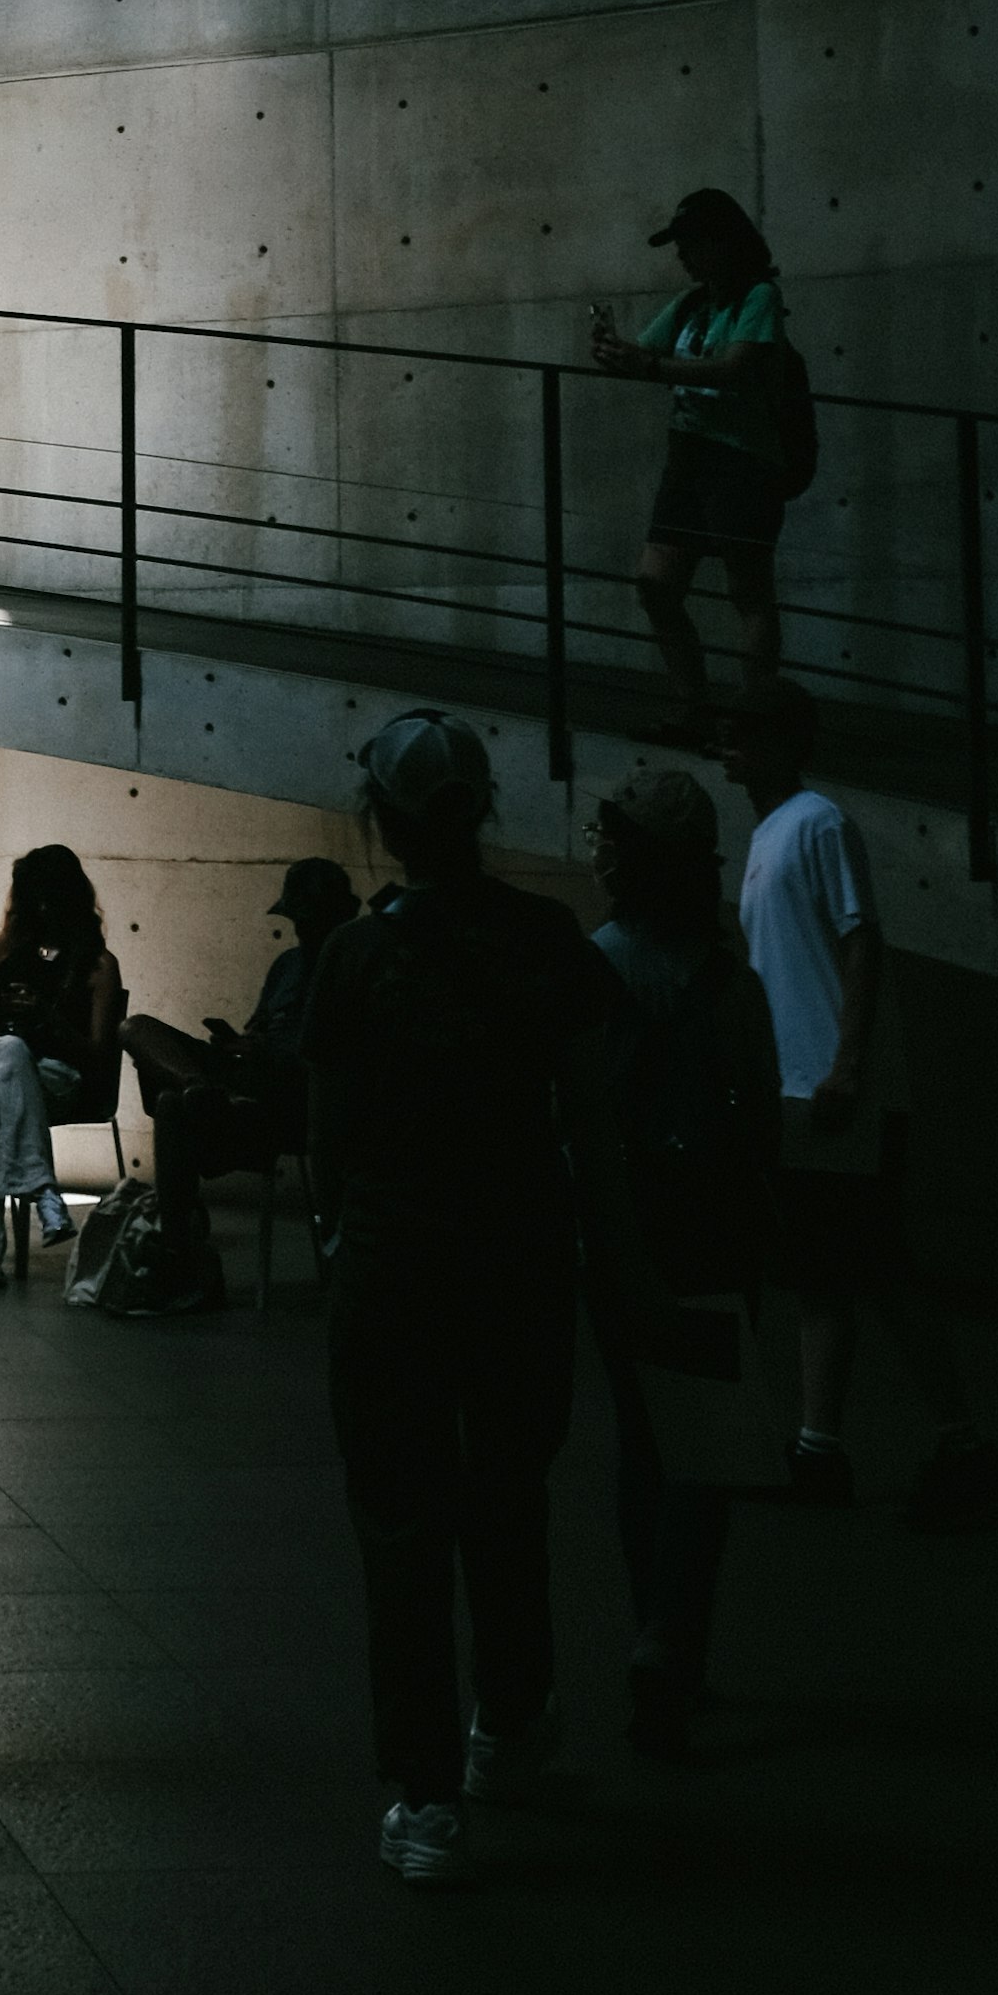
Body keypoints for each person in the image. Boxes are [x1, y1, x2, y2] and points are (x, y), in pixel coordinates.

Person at [303, 710, 644, 1883]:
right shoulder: (550, 940)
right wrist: (617, 1262)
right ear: (482, 808)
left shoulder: (352, 956)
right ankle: (510, 1718)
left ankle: (428, 1795)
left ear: (381, 822)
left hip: (397, 1268)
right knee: (509, 1496)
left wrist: (342, 1238)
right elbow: (592, 1129)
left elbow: (329, 1142)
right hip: (520, 1262)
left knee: (399, 1521)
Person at [721, 679, 998, 1528]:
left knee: (845, 1272)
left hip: (831, 1090)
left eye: (742, 731)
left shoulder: (816, 824)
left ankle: (837, 1450)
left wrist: (846, 1066)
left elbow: (860, 940)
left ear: (782, 742)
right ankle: (886, 1445)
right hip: (809, 1086)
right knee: (854, 1271)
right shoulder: (777, 830)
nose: (728, 744)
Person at [584, 767, 783, 1759]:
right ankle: (676, 1638)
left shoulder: (592, 967)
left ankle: (649, 1629)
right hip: (710, 1224)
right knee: (705, 1445)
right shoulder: (729, 983)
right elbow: (758, 1111)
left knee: (639, 1440)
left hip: (622, 1228)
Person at [586, 185, 793, 735]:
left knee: (748, 592)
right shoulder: (692, 304)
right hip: (690, 457)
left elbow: (736, 368)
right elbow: (646, 357)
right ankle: (694, 704)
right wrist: (614, 353)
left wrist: (647, 366)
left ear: (723, 243)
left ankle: (755, 717)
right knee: (656, 583)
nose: (682, 257)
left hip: (744, 461)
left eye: (691, 244)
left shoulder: (758, 299)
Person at [123, 856, 355, 1257]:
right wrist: (240, 1042)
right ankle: (201, 1088)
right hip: (244, 1077)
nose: (301, 930)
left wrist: (266, 1051)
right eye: (297, 920)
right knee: (136, 1028)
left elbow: (342, 1060)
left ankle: (177, 1252)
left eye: (309, 920)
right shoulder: (287, 964)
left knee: (170, 1106)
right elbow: (258, 1027)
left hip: (297, 1095)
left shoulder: (353, 966)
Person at [0, 844, 124, 1288]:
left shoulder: (98, 965)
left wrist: (48, 1018)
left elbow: (99, 1056)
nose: (41, 909)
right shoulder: (5, 946)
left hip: (52, 1077)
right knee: (8, 1052)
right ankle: (43, 1188)